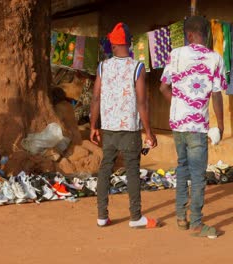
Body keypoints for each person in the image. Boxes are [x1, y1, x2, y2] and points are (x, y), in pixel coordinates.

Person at [159, 16, 225, 239]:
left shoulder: (175, 55)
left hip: (178, 123)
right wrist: (221, 125)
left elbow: (163, 88)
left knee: (182, 168)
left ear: (188, 35)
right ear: (202, 33)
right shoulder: (215, 58)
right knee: (197, 175)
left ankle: (181, 217)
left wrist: (179, 105)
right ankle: (196, 223)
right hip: (197, 125)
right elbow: (216, 94)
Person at [90, 22, 159, 228]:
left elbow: (95, 98)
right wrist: (149, 132)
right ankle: (135, 217)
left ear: (112, 43)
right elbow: (142, 102)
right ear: (129, 43)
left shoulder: (103, 66)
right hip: (129, 129)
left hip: (109, 128)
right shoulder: (137, 67)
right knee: (132, 170)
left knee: (105, 169)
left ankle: (102, 216)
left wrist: (94, 126)